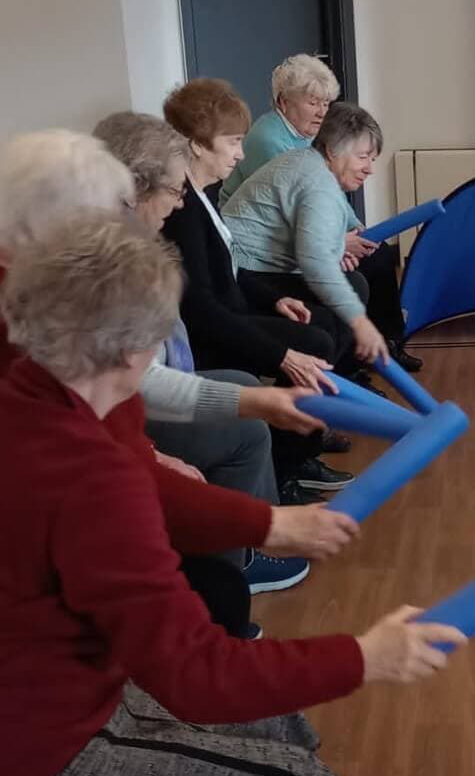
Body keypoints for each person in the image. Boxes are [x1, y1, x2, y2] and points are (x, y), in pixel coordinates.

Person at [0, 213, 466, 776]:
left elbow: (141, 490)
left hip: (67, 681)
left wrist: (272, 525)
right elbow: (194, 674)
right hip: (28, 758)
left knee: (280, 725)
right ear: (136, 346)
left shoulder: (44, 391)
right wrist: (366, 656)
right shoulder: (82, 467)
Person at [0, 129, 361, 638]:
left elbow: (124, 407)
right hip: (61, 563)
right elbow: (90, 458)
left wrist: (255, 401)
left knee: (220, 591)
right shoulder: (36, 319)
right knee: (218, 598)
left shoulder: (66, 294)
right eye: (115, 205)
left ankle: (237, 562)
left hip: (101, 497)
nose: (121, 220)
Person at [95, 110, 353, 505]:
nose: (179, 203)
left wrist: (273, 301)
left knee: (259, 377)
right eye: (173, 190)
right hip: (153, 390)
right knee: (249, 428)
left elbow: (229, 273)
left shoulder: (153, 229)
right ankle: (261, 527)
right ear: (135, 189)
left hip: (162, 375)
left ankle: (275, 494)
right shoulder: (113, 263)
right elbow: (136, 379)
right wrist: (151, 454)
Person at [222, 59, 421, 373]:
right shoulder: (313, 177)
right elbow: (315, 261)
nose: (370, 168)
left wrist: (352, 235)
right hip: (246, 273)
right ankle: (317, 401)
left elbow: (334, 213)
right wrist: (362, 323)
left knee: (355, 283)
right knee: (333, 316)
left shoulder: (312, 161)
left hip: (258, 266)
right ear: (334, 150)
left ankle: (341, 383)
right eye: (363, 157)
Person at [159, 81, 351, 383]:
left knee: (324, 321)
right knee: (316, 342)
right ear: (197, 143)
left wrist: (275, 300)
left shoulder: (204, 194)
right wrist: (281, 355)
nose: (240, 155)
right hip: (210, 333)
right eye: (233, 142)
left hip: (231, 309)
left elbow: (231, 267)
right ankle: (288, 426)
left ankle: (308, 417)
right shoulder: (182, 209)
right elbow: (199, 308)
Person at [221, 53, 339, 202]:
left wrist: (352, 222)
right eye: (313, 103)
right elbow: (298, 201)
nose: (322, 113)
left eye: (326, 103)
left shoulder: (309, 133)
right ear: (283, 102)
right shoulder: (267, 141)